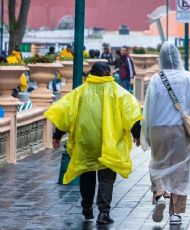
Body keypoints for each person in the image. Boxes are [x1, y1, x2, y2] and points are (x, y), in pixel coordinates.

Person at [44, 62, 143, 225]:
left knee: (87, 172)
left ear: (92, 74)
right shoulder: (119, 93)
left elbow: (65, 114)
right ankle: (103, 212)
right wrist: (137, 135)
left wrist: (57, 135)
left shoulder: (80, 92)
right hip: (109, 143)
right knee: (106, 177)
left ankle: (87, 208)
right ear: (109, 74)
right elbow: (132, 114)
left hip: (86, 142)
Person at [142, 41, 190, 225]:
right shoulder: (187, 78)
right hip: (180, 131)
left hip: (158, 129)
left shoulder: (155, 79)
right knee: (181, 170)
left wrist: (147, 133)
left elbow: (149, 108)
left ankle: (160, 195)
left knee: (158, 164)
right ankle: (175, 213)